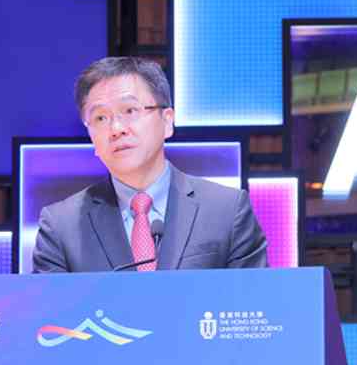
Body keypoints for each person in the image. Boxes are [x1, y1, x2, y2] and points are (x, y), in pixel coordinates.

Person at [32, 57, 268, 273]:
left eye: (130, 110)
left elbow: (253, 300)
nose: (116, 129)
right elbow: (53, 306)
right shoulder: (61, 227)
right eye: (100, 118)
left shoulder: (227, 211)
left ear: (167, 121)